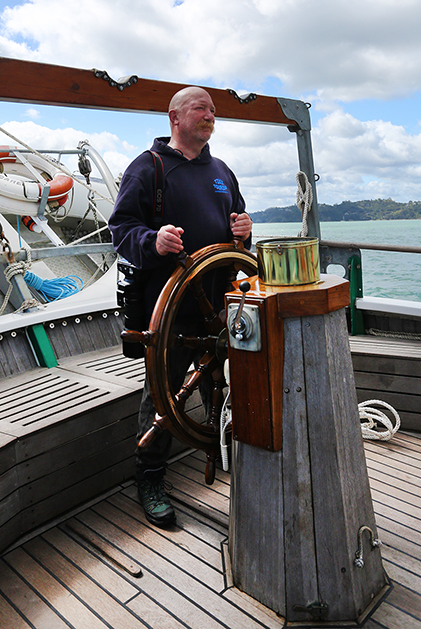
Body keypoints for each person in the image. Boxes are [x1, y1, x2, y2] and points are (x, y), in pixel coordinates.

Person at [109, 86, 252, 527]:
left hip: (224, 309)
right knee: (162, 398)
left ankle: (232, 462)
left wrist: (245, 232)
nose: (210, 115)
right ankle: (150, 479)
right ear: (174, 118)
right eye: (200, 109)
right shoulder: (148, 169)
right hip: (167, 312)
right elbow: (121, 230)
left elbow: (238, 236)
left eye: (213, 110)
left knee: (228, 390)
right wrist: (153, 241)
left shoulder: (222, 172)